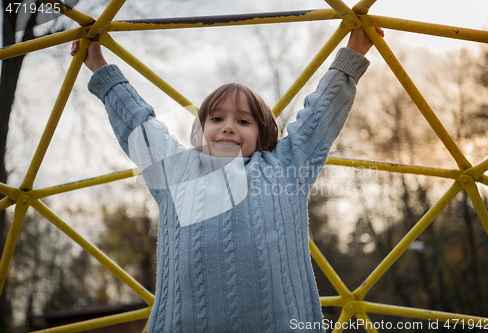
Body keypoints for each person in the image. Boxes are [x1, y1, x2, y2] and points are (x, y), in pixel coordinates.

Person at [71, 27, 383, 333]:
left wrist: (352, 52)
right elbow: (138, 123)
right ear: (202, 129)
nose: (229, 127)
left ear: (262, 134)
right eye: (217, 119)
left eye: (243, 121)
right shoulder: (176, 171)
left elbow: (319, 117)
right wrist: (100, 66)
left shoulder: (285, 167)